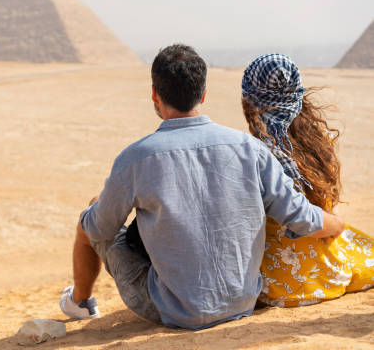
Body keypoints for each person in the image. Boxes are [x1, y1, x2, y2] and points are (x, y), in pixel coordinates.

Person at [59, 44, 345, 330]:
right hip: (243, 301)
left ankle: (80, 301)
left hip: (172, 311)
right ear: (203, 94)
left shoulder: (136, 158)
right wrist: (339, 224)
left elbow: (99, 230)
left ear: (155, 95)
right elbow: (301, 217)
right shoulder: (250, 149)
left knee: (91, 217)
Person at [241, 53, 374, 307]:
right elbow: (329, 211)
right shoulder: (321, 143)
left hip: (274, 284)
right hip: (328, 274)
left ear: (249, 100)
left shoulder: (254, 153)